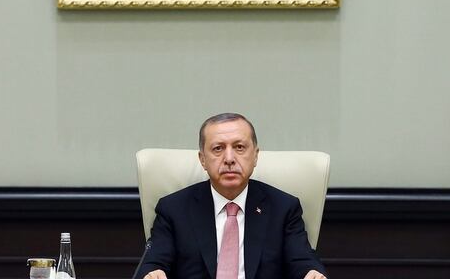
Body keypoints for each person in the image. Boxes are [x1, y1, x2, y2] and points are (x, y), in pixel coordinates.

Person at [136, 113, 327, 279]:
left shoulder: (284, 208)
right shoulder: (173, 209)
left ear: (255, 156)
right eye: (218, 148)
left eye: (239, 147)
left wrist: (311, 273)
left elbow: (302, 261)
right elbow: (154, 262)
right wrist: (152, 272)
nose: (229, 159)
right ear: (202, 159)